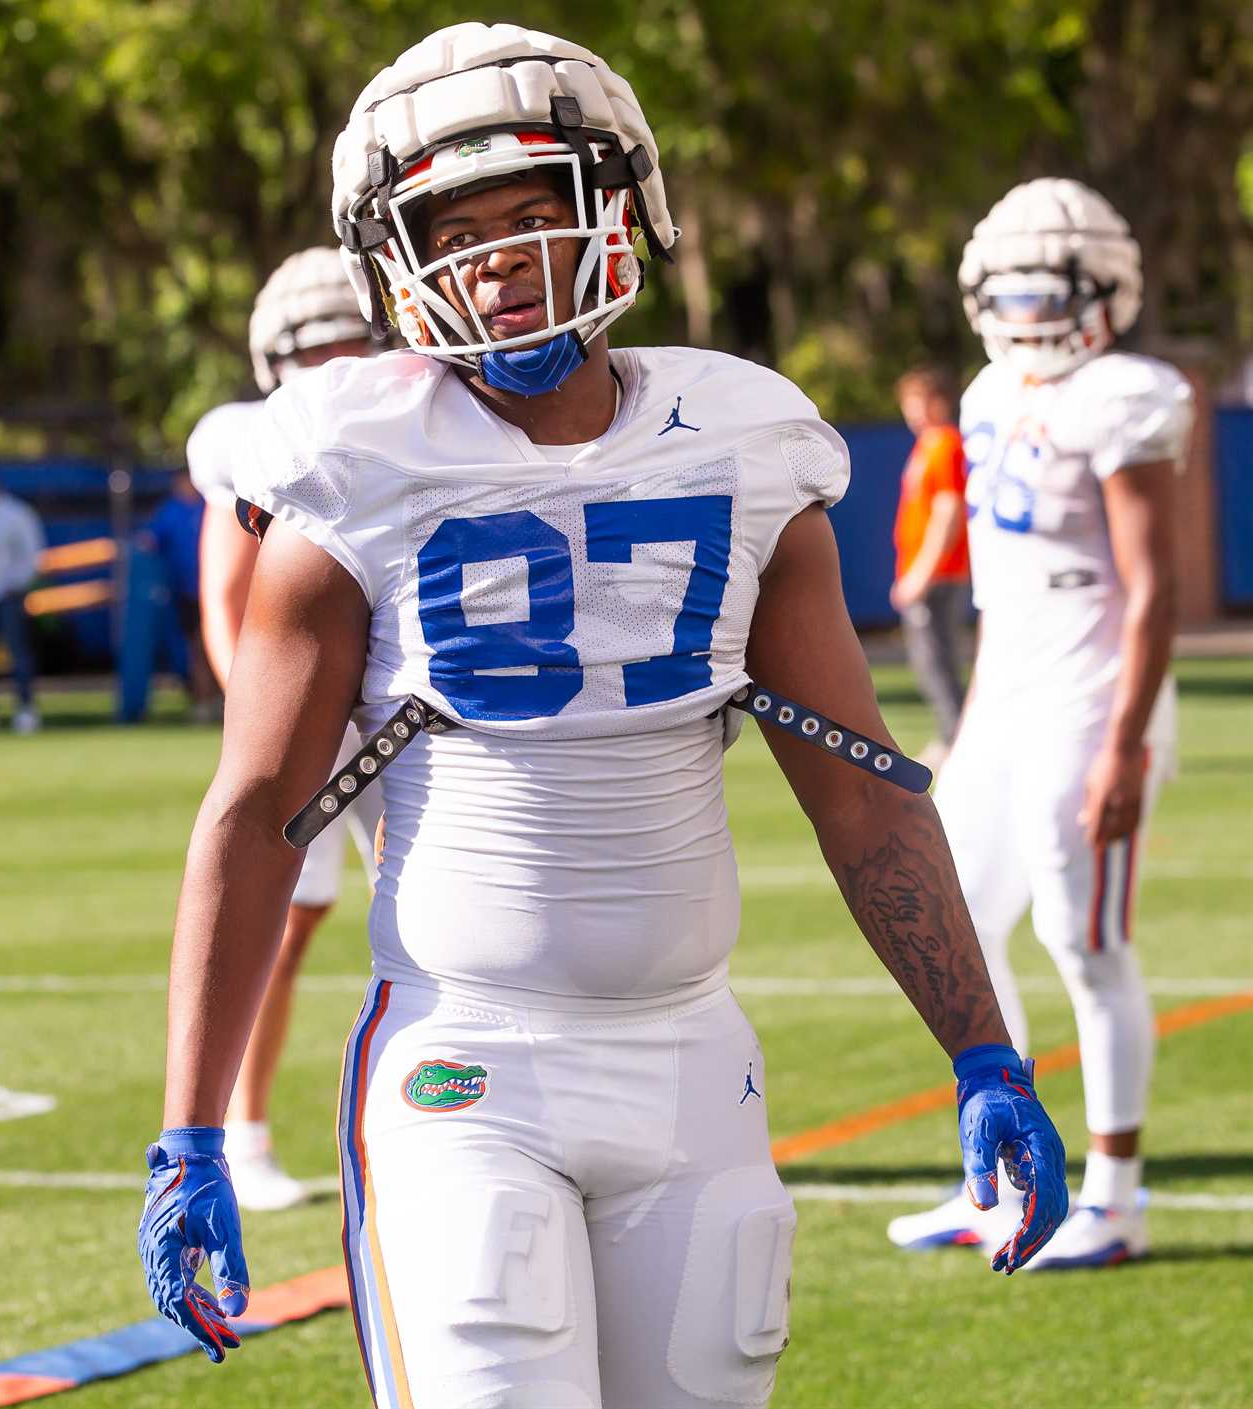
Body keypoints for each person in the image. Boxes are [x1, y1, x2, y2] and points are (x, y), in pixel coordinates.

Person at [138, 26, 1067, 1406]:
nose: (500, 259)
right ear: (393, 263)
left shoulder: (742, 439)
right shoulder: (352, 461)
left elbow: (862, 791)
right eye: (455, 231)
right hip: (464, 1070)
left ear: (619, 216)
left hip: (695, 1065)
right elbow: (259, 816)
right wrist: (190, 1135)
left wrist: (982, 1046)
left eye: (531, 215)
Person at [886, 178, 1193, 1269]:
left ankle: (1113, 1194)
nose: (1021, 308)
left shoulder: (1125, 393)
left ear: (1098, 289)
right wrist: (970, 728)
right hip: (1008, 695)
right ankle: (1001, 1178)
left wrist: (1121, 741)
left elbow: (1150, 589)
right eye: (1004, 286)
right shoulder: (979, 394)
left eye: (1041, 285)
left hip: (1088, 698)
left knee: (1083, 940)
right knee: (958, 928)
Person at [183, 248, 385, 1209]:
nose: (342, 362)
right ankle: (240, 1132)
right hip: (317, 725)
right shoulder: (250, 437)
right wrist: (267, 739)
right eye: (324, 346)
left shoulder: (433, 422)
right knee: (281, 924)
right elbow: (227, 600)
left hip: (406, 716)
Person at [890, 366, 970, 764]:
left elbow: (948, 509)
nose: (913, 412)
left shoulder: (945, 444)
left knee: (935, 659)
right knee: (929, 659)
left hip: (938, 573)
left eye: (919, 402)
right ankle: (954, 735)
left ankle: (957, 738)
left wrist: (922, 571)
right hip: (926, 569)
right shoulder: (927, 445)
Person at [141, 469, 220, 721]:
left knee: (213, 645)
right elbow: (149, 541)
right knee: (198, 648)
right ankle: (204, 701)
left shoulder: (213, 507)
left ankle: (217, 699)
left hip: (215, 589)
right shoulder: (171, 511)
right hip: (187, 593)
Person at [0, 467, 44, 734]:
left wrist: (15, 585)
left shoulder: (15, 514)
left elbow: (32, 554)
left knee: (17, 653)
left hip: (7, 595)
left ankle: (26, 708)